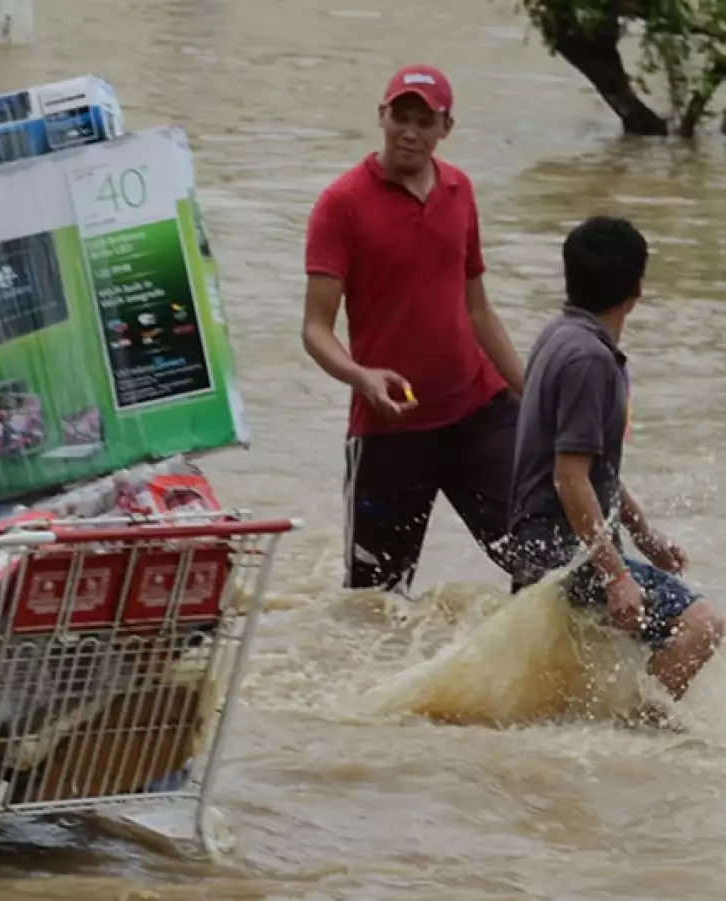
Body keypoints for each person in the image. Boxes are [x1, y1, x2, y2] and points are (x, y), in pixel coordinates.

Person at [302, 64, 525, 594]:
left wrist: (533, 393)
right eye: (400, 118)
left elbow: (478, 309)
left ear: (446, 127)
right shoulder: (341, 204)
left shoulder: (459, 190)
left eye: (424, 122)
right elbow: (315, 329)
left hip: (478, 411)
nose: (409, 132)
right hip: (390, 430)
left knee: (543, 558)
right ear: (381, 116)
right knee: (375, 601)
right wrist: (361, 376)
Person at [509, 216, 721, 699]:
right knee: (701, 626)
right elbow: (569, 478)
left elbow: (591, 469)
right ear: (637, 290)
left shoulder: (559, 335)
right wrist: (616, 574)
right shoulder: (590, 361)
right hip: (562, 552)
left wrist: (645, 537)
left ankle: (610, 729)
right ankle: (637, 732)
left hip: (541, 544)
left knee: (580, 680)